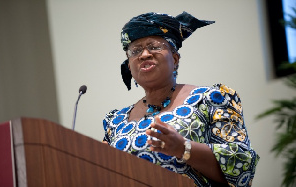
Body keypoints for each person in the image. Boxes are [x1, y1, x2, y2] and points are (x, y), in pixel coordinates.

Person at [102, 11, 259, 187]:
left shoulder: (211, 98)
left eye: (154, 46)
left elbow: (242, 168)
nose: (144, 54)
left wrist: (184, 148)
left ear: (175, 59)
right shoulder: (115, 121)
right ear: (129, 67)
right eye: (136, 51)